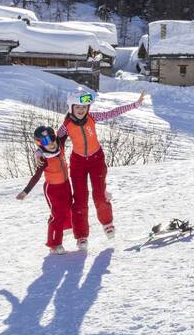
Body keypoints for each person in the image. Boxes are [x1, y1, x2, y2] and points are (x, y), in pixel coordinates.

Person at [60, 89, 145, 249]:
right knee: (80, 200)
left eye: (84, 107)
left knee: (99, 194)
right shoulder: (66, 125)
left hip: (96, 159)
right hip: (78, 162)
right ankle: (81, 236)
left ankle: (107, 223)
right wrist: (40, 151)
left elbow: (112, 112)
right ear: (71, 107)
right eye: (77, 107)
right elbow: (55, 142)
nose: (81, 110)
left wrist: (135, 104)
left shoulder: (93, 117)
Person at [16, 125, 72, 254]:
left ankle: (65, 228)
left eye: (52, 138)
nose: (51, 143)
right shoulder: (43, 158)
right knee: (56, 215)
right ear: (39, 144)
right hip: (52, 189)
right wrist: (25, 191)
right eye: (45, 141)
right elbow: (36, 176)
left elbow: (66, 126)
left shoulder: (60, 144)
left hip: (66, 184)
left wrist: (72, 109)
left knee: (68, 208)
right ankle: (55, 244)